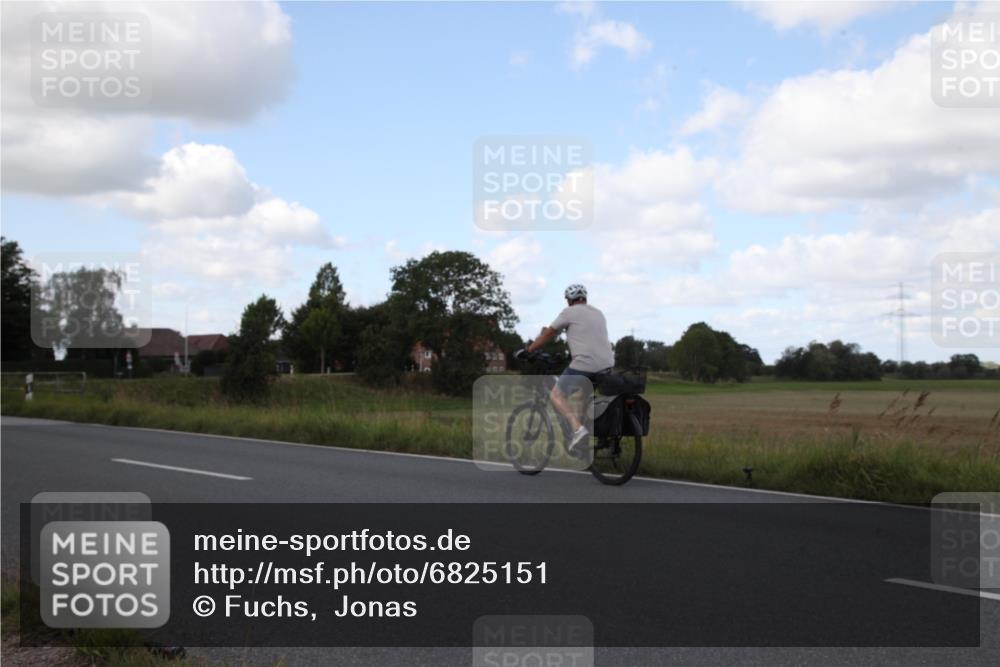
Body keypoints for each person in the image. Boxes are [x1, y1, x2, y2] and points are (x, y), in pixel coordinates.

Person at [515, 284, 614, 455]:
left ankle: (577, 430)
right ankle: (582, 443)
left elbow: (549, 333)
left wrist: (528, 350)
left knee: (556, 394)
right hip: (607, 365)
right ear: (585, 298)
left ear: (569, 300)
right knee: (583, 396)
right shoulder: (598, 313)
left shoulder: (569, 312)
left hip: (585, 364)